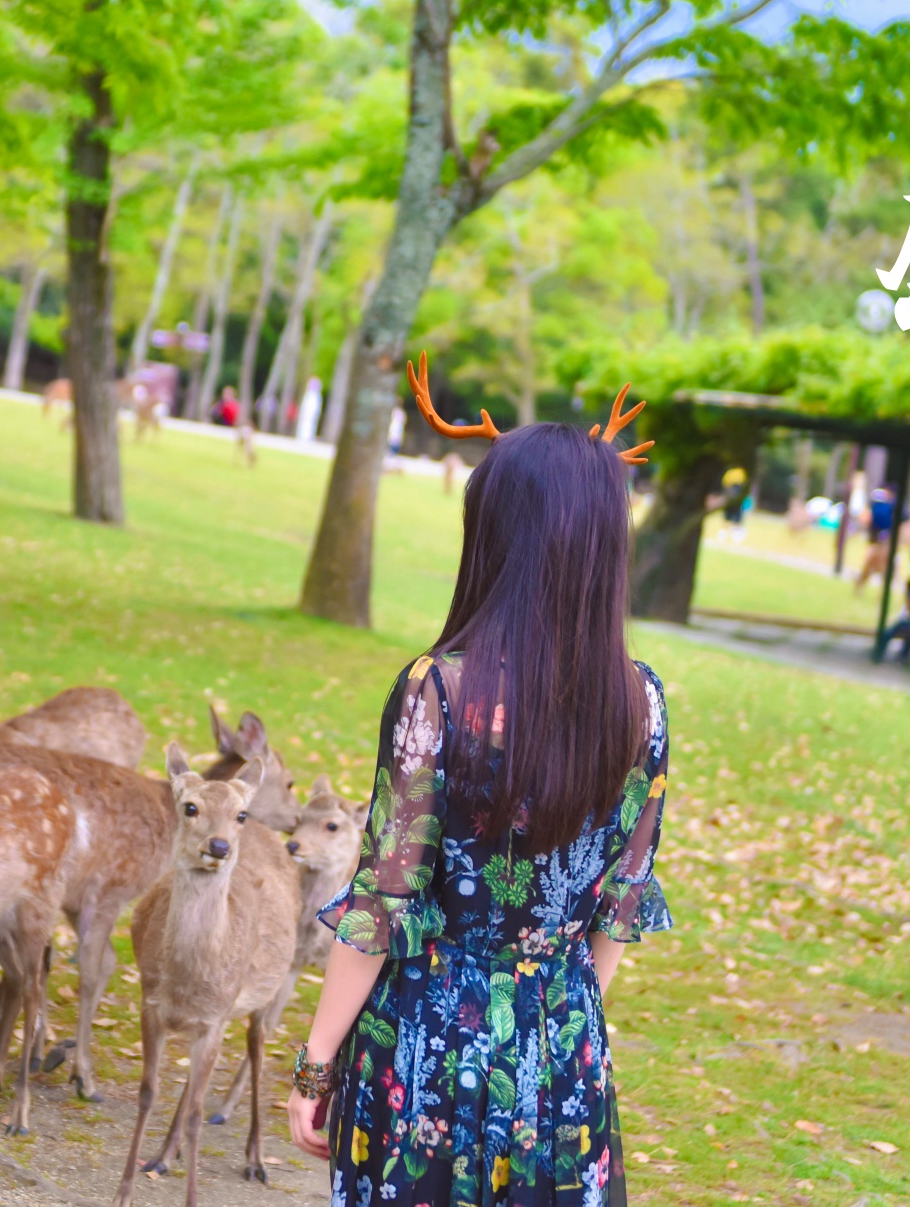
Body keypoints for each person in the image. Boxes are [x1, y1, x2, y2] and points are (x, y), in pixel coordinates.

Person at [287, 386, 671, 1207]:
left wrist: (316, 1062)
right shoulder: (643, 701)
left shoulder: (437, 693)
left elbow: (385, 895)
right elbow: (618, 906)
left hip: (426, 1046)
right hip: (563, 1058)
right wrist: (549, 1024)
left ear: (496, 536)